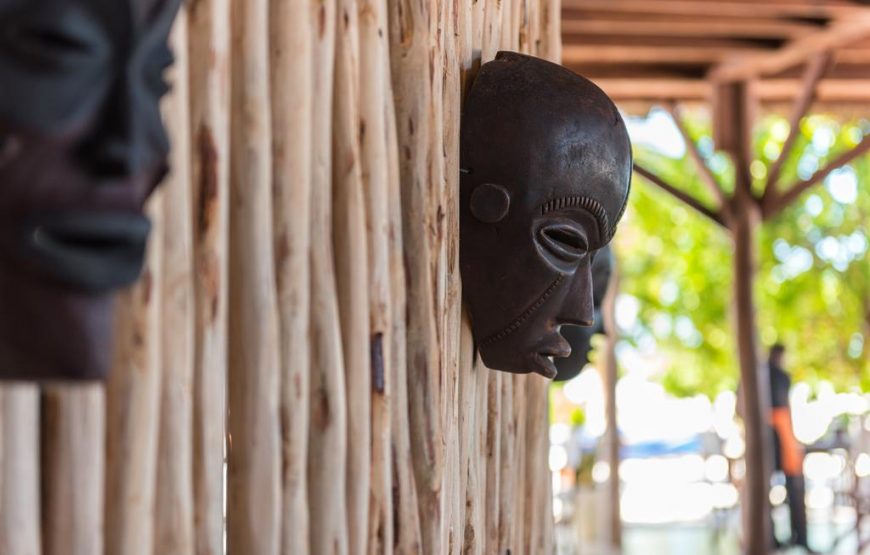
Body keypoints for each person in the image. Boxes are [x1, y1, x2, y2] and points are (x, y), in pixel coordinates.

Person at [767, 344, 813, 552]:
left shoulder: (777, 376)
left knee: (792, 486)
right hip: (772, 439)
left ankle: (798, 537)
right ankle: (793, 537)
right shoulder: (771, 376)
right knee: (787, 487)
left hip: (780, 437)